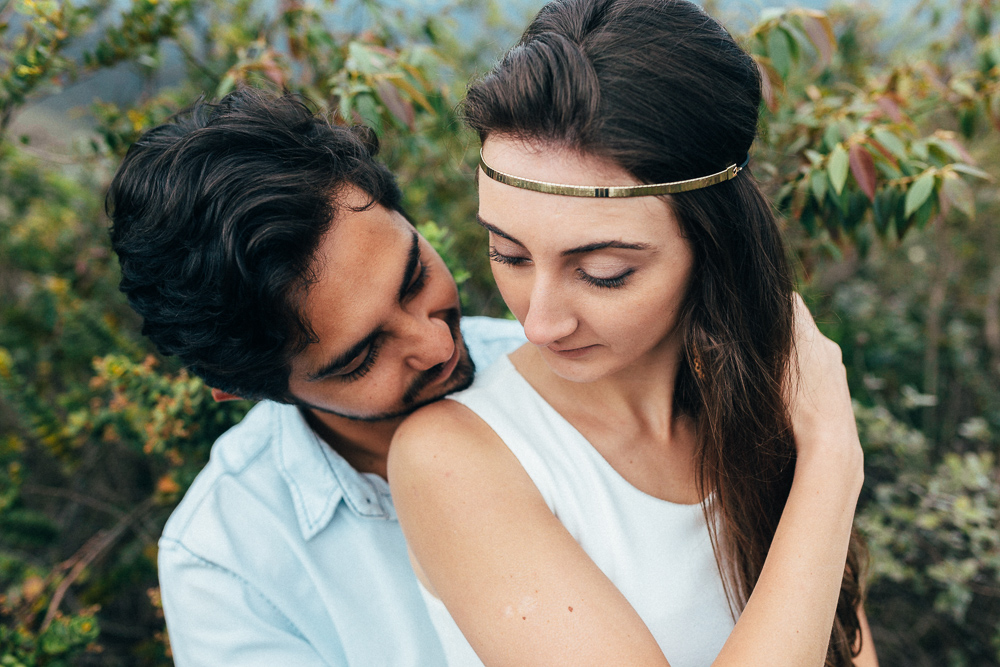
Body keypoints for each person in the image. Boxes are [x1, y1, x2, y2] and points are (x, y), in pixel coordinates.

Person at [388, 1, 877, 666]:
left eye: (605, 273)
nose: (538, 322)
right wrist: (832, 461)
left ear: (710, 247)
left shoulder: (765, 401)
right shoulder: (455, 458)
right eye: (508, 253)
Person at [106, 88, 525, 666]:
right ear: (245, 389)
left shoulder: (576, 366)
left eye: (414, 277)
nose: (435, 343)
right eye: (359, 357)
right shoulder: (228, 568)